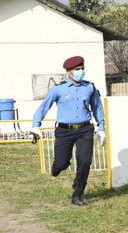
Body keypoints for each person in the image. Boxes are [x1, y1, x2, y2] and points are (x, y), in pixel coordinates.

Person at [30, 56, 106, 206]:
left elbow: (97, 108)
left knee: (85, 162)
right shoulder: (58, 88)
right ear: (68, 72)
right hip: (64, 131)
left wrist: (101, 128)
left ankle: (77, 193)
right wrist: (35, 125)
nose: (81, 72)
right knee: (62, 163)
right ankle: (57, 167)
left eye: (82, 69)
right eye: (77, 70)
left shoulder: (89, 87)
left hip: (85, 130)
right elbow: (44, 107)